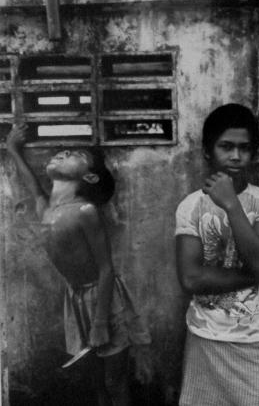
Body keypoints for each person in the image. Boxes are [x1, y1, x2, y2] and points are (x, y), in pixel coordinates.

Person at [7, 123, 151, 406]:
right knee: (96, 381)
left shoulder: (86, 211)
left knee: (115, 381)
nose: (65, 152)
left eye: (75, 154)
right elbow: (33, 186)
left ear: (89, 177)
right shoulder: (47, 209)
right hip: (76, 300)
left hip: (105, 301)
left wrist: (99, 323)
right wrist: (13, 150)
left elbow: (106, 269)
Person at [175, 103, 259, 406]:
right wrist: (258, 276)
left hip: (255, 341)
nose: (236, 156)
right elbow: (191, 278)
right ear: (209, 151)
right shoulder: (191, 205)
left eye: (244, 148)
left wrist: (231, 205)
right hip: (205, 339)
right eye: (226, 147)